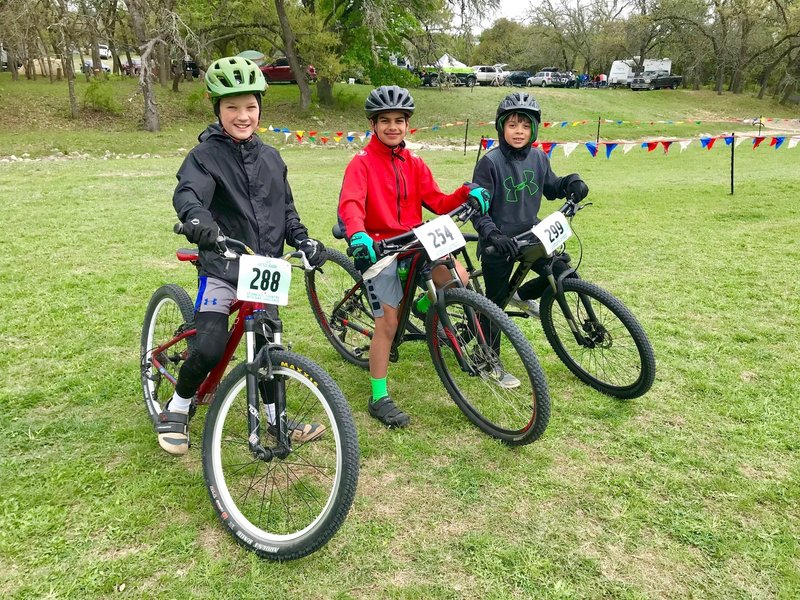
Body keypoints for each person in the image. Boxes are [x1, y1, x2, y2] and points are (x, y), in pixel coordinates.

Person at [157, 56, 327, 455]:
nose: (242, 115)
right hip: (221, 265)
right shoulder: (204, 156)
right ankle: (178, 406)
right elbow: (189, 193)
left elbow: (285, 209)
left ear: (260, 108)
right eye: (232, 107)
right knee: (211, 344)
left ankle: (276, 418)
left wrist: (302, 239)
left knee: (270, 346)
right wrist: (198, 219)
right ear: (217, 109)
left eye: (250, 106)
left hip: (263, 268)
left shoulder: (271, 158)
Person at [337, 85, 491, 428]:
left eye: (399, 121)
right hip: (380, 246)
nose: (393, 127)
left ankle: (425, 308)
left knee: (459, 279)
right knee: (388, 323)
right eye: (385, 121)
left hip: (416, 240)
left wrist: (467, 192)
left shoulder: (415, 162)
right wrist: (359, 234)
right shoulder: (361, 163)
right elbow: (350, 204)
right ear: (373, 125)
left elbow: (436, 200)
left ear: (408, 125)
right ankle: (378, 396)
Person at [471, 91, 589, 322]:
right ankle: (486, 354)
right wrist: (493, 235)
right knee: (494, 307)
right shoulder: (489, 163)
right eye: (513, 125)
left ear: (534, 129)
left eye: (526, 126)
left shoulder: (539, 157)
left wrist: (570, 182)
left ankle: (521, 295)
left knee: (564, 274)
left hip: (532, 236)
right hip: (499, 244)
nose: (519, 131)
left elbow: (552, 187)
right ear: (501, 127)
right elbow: (478, 210)